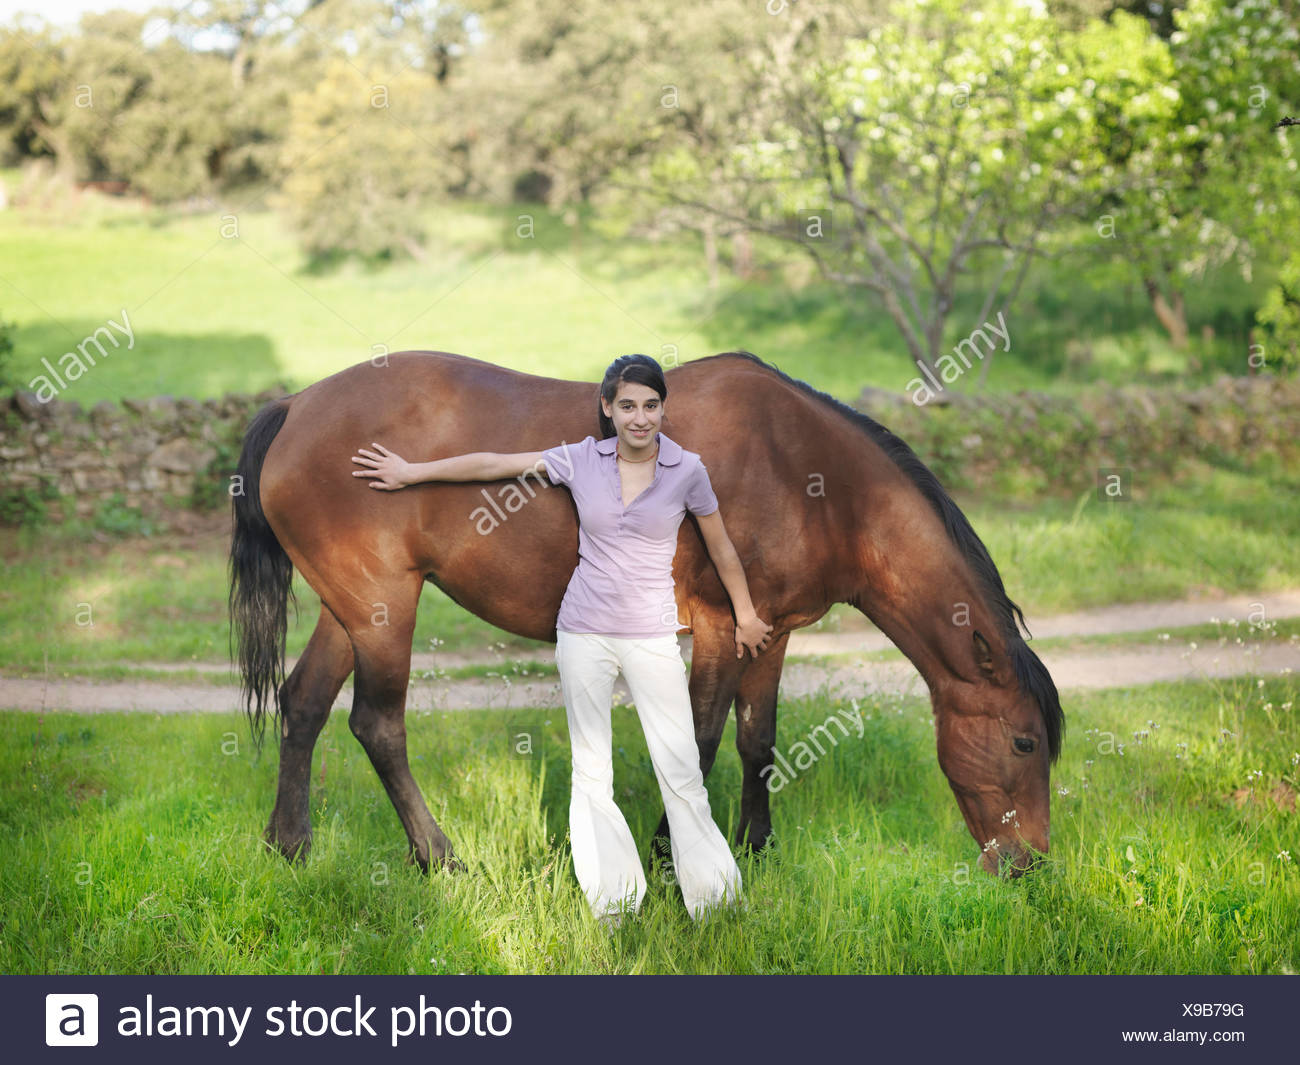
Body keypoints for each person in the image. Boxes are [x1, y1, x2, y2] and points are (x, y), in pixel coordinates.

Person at [349, 354, 773, 928]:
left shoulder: (687, 470)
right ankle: (614, 904)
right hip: (584, 633)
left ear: (663, 409)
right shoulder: (581, 460)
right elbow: (494, 464)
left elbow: (721, 547)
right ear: (608, 408)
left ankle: (715, 904)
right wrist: (412, 473)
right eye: (628, 406)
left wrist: (746, 614)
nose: (640, 418)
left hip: (652, 636)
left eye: (650, 406)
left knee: (680, 771)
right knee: (592, 772)